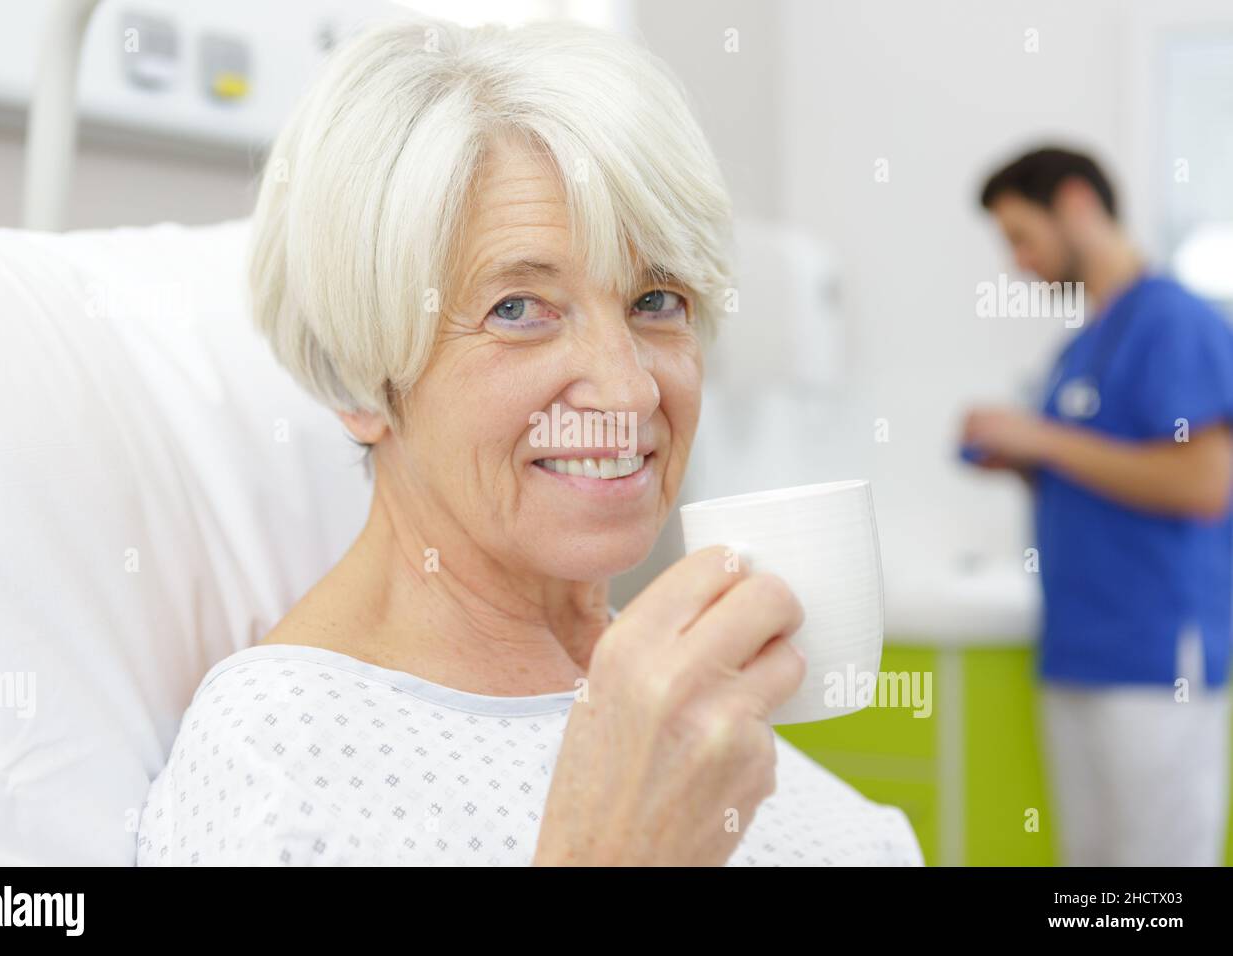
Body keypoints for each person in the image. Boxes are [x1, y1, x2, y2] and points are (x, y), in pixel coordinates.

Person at [134, 16, 923, 866]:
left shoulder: (703, 727)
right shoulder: (277, 769)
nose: (629, 389)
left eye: (656, 300)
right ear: (362, 379)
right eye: (517, 309)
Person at [962, 146, 1233, 865]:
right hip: (1080, 649)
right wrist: (1025, 460)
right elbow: (1097, 474)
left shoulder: (1172, 321)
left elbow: (1206, 482)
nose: (1018, 260)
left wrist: (1042, 439)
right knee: (1094, 875)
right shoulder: (1081, 348)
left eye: (1022, 235)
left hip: (1151, 658)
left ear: (1077, 204)